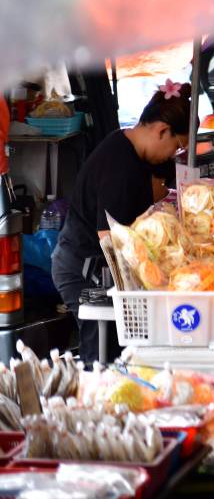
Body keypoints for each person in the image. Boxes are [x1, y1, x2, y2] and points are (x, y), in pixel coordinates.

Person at [52, 81, 190, 362]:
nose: (173, 155)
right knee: (102, 355)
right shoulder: (120, 166)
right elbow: (111, 241)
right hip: (85, 270)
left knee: (118, 353)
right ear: (162, 130)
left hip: (94, 266)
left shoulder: (129, 148)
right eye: (177, 146)